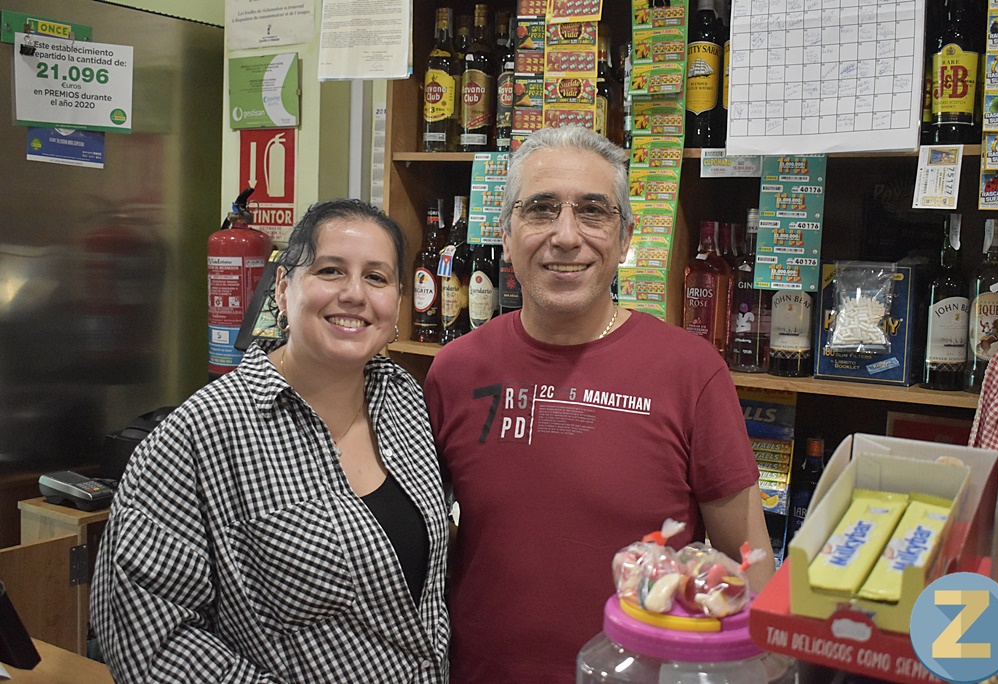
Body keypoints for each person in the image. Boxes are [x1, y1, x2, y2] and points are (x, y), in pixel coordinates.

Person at [423, 126, 773, 684]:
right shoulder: (456, 370)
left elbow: (750, 568)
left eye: (593, 212)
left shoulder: (691, 371)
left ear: (627, 236)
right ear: (506, 236)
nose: (566, 236)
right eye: (540, 210)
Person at [91, 199, 450, 682]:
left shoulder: (405, 399)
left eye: (377, 278)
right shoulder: (200, 434)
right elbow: (151, 638)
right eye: (330, 270)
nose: (354, 294)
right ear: (282, 289)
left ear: (398, 303)